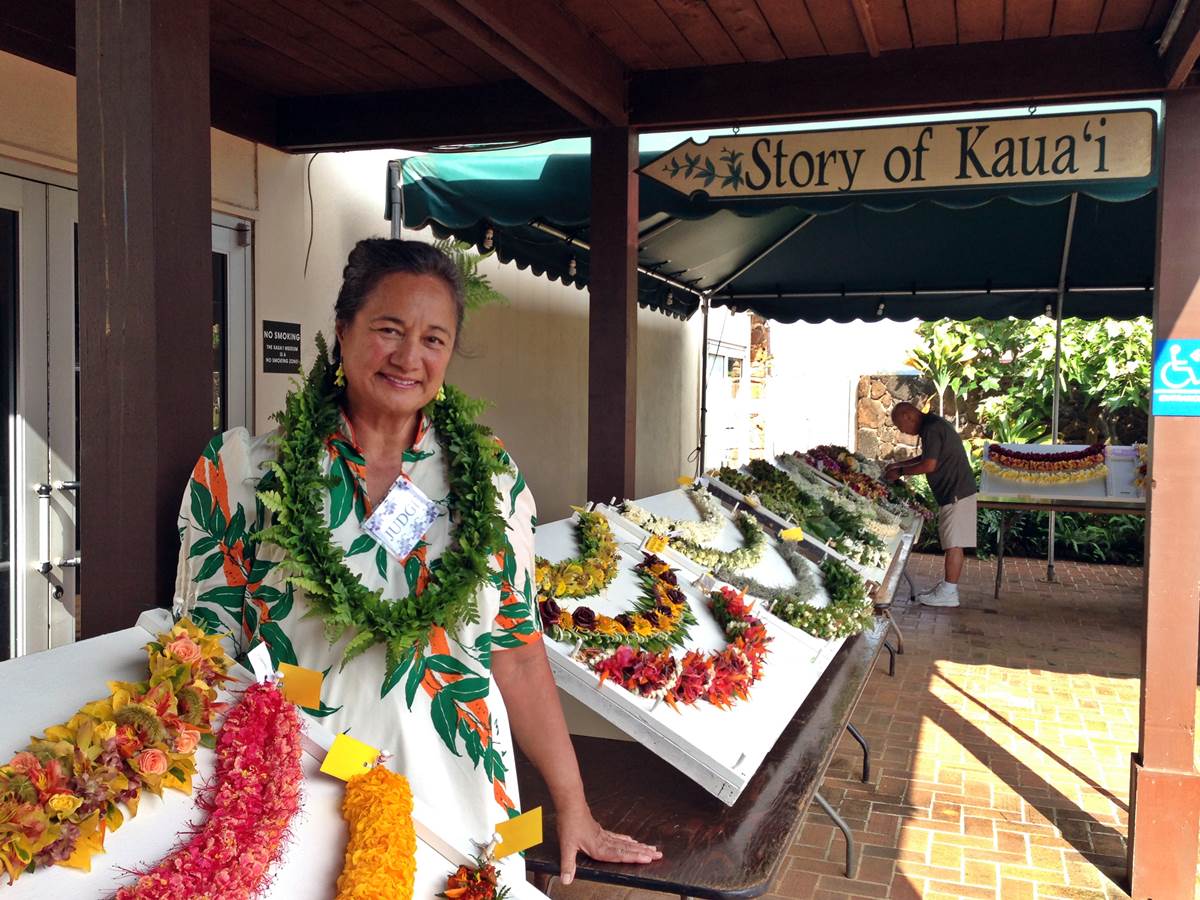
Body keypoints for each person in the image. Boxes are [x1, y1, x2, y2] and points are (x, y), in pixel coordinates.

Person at [174, 239, 660, 886]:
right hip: (307, 795)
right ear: (343, 331)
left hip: (467, 799)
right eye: (388, 330)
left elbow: (516, 652)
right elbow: (202, 662)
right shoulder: (244, 475)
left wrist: (574, 808)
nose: (409, 357)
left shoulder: (489, 482)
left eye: (434, 339)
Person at [884, 401, 977, 608]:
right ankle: (947, 587)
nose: (904, 432)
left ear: (909, 416)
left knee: (954, 543)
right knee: (952, 541)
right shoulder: (933, 424)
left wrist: (899, 472)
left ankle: (949, 592)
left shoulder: (931, 429)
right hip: (957, 491)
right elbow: (926, 458)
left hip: (956, 492)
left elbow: (929, 465)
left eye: (901, 427)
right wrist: (900, 464)